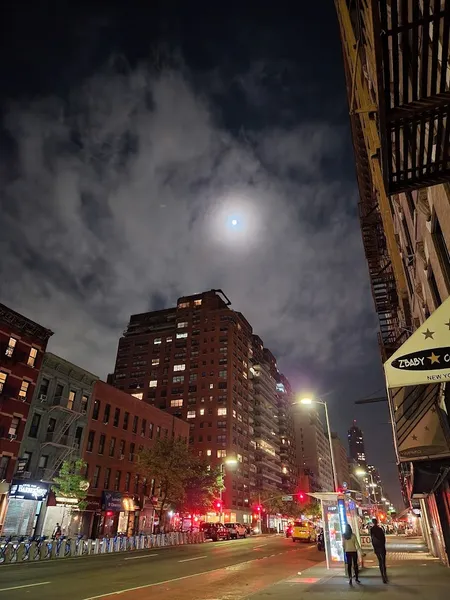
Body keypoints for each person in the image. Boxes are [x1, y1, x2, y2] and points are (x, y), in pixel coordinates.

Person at [371, 518, 388, 583]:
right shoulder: (380, 529)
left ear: (373, 522)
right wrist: (383, 544)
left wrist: (374, 547)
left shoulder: (372, 529)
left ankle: (382, 576)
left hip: (376, 547)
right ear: (377, 522)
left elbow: (372, 539)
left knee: (380, 562)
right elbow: (384, 538)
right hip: (381, 547)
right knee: (383, 562)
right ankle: (385, 575)